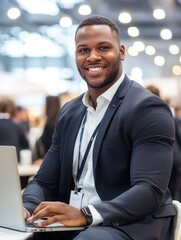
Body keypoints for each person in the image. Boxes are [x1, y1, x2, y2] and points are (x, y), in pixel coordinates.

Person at [23, 15, 175, 240]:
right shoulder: (69, 112)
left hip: (129, 224)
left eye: (103, 48)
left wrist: (85, 214)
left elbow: (148, 190)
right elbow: (45, 180)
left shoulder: (147, 108)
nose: (93, 57)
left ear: (121, 51)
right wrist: (26, 207)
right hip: (73, 223)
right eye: (83, 50)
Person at [32, 96, 61, 166]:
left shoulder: (49, 125)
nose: (43, 107)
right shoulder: (59, 122)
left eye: (44, 104)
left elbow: (51, 147)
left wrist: (44, 160)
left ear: (49, 106)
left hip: (50, 164)